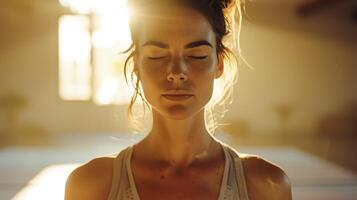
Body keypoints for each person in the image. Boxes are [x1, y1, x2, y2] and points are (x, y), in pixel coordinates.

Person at [65, 0, 292, 199]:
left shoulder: (266, 185)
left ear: (219, 64)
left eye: (197, 56)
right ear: (137, 65)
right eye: (157, 56)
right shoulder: (91, 185)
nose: (177, 71)